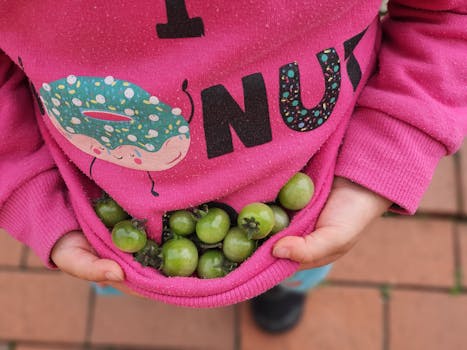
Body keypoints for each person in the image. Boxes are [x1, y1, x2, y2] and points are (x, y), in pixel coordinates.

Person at [0, 0, 466, 334]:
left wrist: (382, 163)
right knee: (115, 285)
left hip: (307, 211)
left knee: (297, 268)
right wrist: (27, 189)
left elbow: (447, 16)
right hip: (111, 217)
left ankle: (282, 289)